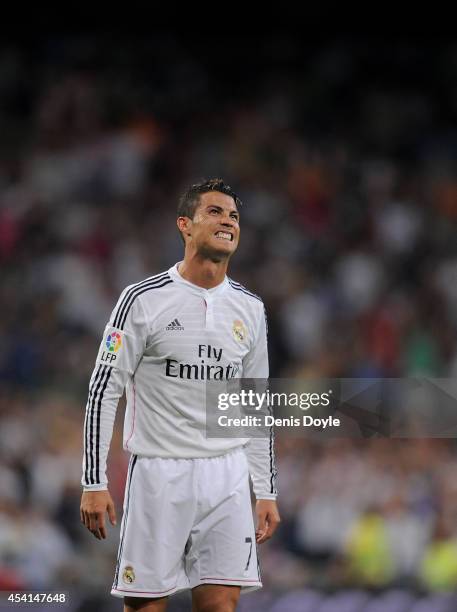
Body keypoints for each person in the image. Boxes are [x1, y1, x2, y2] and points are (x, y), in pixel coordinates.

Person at [80, 178, 280, 612]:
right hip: (158, 472)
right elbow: (103, 389)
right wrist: (93, 481)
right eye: (215, 212)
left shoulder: (250, 308)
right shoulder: (142, 300)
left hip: (226, 475)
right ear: (184, 225)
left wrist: (265, 490)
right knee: (146, 605)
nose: (228, 220)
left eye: (234, 216)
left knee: (221, 604)